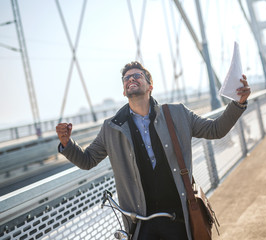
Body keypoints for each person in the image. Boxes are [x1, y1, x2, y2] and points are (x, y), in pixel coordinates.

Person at [56, 61, 251, 240]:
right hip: (141, 225)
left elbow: (215, 129)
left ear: (150, 86)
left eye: (137, 76)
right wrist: (67, 143)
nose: (131, 79)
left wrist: (238, 103)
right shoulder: (111, 128)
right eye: (126, 78)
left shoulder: (177, 113)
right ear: (124, 91)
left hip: (179, 217)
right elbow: (87, 160)